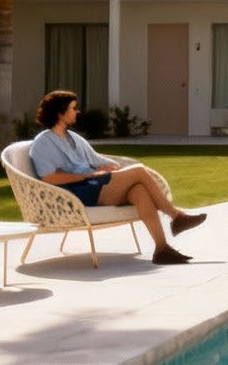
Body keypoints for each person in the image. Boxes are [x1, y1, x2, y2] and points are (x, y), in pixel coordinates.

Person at [29, 89, 205, 263]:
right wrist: (87, 175)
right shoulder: (43, 143)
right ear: (60, 112)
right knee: (139, 171)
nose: (77, 111)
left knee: (139, 191)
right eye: (73, 108)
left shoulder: (73, 138)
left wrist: (109, 166)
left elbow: (96, 159)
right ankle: (176, 216)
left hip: (95, 184)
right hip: (77, 193)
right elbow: (49, 177)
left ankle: (162, 249)